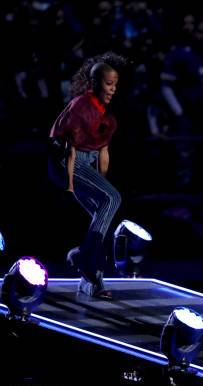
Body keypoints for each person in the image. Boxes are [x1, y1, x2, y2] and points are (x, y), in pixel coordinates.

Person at [48, 52, 126, 300]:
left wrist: (100, 182)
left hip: (85, 165)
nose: (112, 89)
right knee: (112, 199)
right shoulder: (83, 105)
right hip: (67, 162)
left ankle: (92, 280)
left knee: (103, 211)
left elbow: (102, 153)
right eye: (107, 83)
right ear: (94, 83)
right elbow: (65, 146)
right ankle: (85, 259)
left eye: (115, 84)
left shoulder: (105, 114)